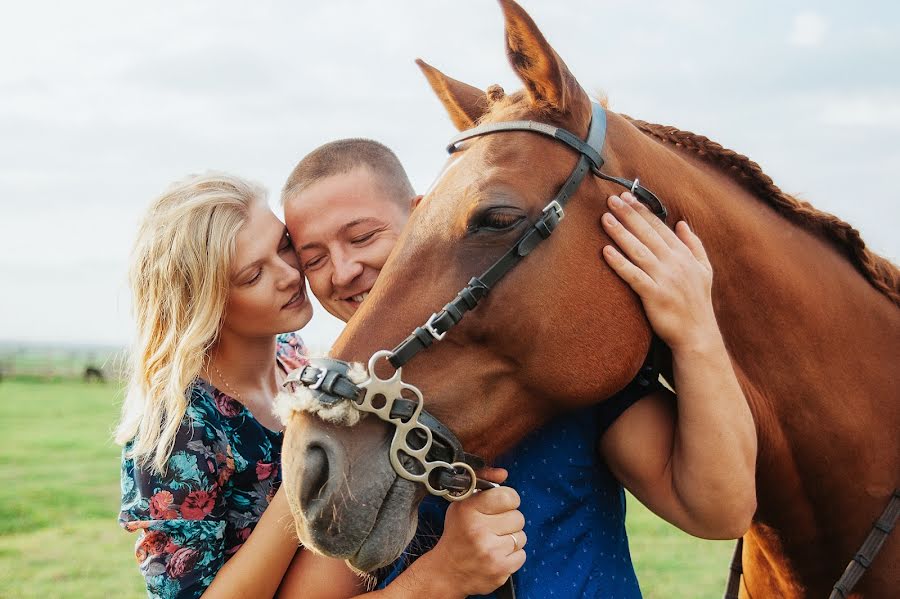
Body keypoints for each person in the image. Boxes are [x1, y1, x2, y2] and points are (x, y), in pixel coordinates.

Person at [281, 139, 757, 597]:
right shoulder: (351, 417)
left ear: (423, 215)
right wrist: (440, 579)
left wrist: (696, 331)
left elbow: (718, 511)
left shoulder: (560, 365)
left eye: (362, 237)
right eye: (314, 259)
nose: (341, 271)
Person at [115, 172, 524, 599]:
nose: (290, 275)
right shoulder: (180, 428)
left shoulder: (295, 356)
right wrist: (305, 476)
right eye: (254, 275)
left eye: (283, 246)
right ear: (205, 303)